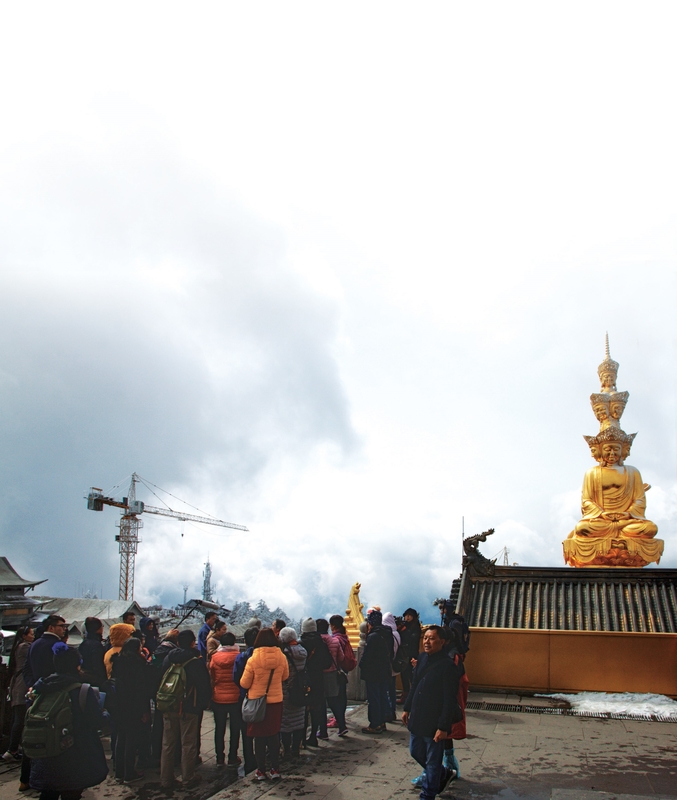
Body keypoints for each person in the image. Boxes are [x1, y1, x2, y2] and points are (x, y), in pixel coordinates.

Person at [28, 647, 108, 799]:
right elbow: (97, 721)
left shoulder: (42, 689)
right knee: (71, 793)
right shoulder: (82, 691)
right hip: (74, 755)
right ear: (77, 666)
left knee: (48, 792)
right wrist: (106, 714)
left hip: (45, 752)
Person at [402, 626, 461, 800]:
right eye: (425, 638)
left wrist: (443, 727)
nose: (427, 642)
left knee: (433, 761)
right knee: (415, 751)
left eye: (432, 638)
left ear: (442, 642)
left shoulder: (448, 666)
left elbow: (449, 699)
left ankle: (428, 794)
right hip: (419, 715)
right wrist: (407, 707)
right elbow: (415, 685)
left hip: (434, 720)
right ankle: (444, 774)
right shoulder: (421, 658)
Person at [160, 630, 211, 791]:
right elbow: (204, 686)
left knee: (168, 743)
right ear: (191, 643)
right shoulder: (195, 662)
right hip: (189, 707)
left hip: (169, 705)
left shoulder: (168, 658)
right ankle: (188, 778)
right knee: (188, 743)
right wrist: (202, 705)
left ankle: (166, 779)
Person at [239, 628, 289, 781]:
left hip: (257, 703)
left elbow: (244, 683)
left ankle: (261, 770)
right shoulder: (281, 656)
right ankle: (275, 769)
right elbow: (285, 676)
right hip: (275, 702)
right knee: (273, 736)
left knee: (259, 738)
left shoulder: (253, 659)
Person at [111, 638, 159, 784]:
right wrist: (144, 711)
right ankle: (129, 773)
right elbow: (140, 690)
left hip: (119, 705)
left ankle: (119, 771)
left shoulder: (118, 661)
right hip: (134, 706)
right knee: (132, 739)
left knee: (121, 737)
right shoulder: (137, 664)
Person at [209, 632, 241, 767]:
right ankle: (232, 756)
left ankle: (219, 757)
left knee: (219, 728)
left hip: (218, 697)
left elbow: (212, 677)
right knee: (235, 728)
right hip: (235, 697)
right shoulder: (238, 657)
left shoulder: (214, 657)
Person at [359, 609, 393, 734]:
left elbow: (367, 656)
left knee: (374, 699)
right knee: (383, 696)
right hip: (385, 670)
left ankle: (375, 724)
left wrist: (361, 665)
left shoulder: (373, 636)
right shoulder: (387, 633)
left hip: (373, 672)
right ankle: (382, 721)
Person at [299, 618, 332, 747]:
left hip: (303, 680)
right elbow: (327, 663)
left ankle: (301, 738)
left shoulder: (300, 644)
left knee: (303, 710)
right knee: (316, 709)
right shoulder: (321, 644)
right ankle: (313, 735)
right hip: (318, 679)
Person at [3, 626, 34, 762]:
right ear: (24, 636)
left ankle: (14, 748)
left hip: (18, 685)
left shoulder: (19, 647)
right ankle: (12, 749)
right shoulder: (24, 647)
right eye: (31, 634)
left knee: (18, 718)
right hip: (22, 686)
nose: (33, 636)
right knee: (20, 718)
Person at [232, 626, 259, 775]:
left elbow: (236, 677)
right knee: (262, 729)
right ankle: (262, 760)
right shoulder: (264, 656)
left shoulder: (241, 657)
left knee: (246, 730)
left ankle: (249, 760)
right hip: (262, 697)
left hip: (245, 697)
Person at [278, 627, 307, 757]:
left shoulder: (284, 654)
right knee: (299, 721)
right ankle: (296, 748)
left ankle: (287, 749)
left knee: (286, 723)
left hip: (286, 690)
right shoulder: (302, 652)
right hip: (299, 690)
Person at [316, 618, 345, 738]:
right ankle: (342, 726)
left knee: (321, 704)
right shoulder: (334, 641)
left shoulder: (316, 642)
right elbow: (341, 658)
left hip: (319, 675)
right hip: (332, 674)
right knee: (334, 701)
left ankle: (323, 732)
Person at [329, 615, 356, 736]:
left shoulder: (335, 639)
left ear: (333, 626)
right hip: (344, 669)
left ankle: (338, 720)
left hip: (337, 670)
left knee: (336, 697)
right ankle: (340, 718)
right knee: (342, 695)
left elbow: (336, 656)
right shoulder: (344, 637)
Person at [382, 612, 401, 722]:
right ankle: (392, 710)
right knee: (392, 690)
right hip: (395, 665)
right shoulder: (397, 634)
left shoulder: (387, 634)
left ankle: (388, 712)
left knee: (386, 690)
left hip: (387, 666)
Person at [399, 608, 421, 704]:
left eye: (409, 616)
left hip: (412, 654)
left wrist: (405, 631)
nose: (407, 618)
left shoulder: (416, 627)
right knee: (403, 675)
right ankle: (405, 694)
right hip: (403, 654)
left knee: (412, 675)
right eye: (406, 616)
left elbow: (413, 638)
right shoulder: (403, 626)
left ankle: (415, 696)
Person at [78, 618, 107, 688]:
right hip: (96, 682)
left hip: (83, 679)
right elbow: (98, 666)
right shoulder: (97, 645)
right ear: (99, 628)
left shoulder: (83, 644)